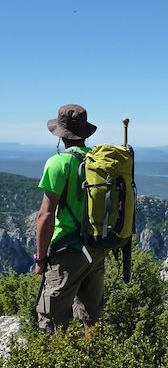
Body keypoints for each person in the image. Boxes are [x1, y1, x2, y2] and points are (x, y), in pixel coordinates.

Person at [35, 104, 106, 336]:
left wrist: (40, 258)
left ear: (60, 135)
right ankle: (92, 362)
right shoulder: (98, 162)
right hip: (96, 248)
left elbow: (45, 215)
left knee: (51, 319)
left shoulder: (58, 163)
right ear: (85, 134)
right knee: (91, 315)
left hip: (68, 251)